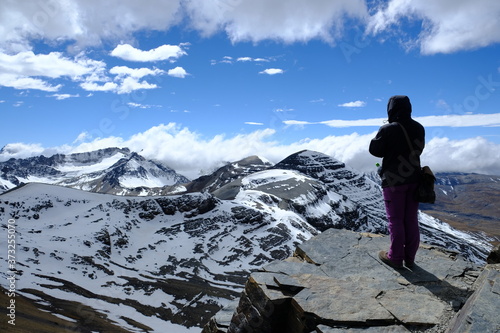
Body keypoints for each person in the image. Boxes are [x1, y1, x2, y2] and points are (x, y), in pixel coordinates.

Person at [369, 95, 425, 269]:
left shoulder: (387, 129)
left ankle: (395, 257)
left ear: (391, 109)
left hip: (393, 181)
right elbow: (419, 149)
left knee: (395, 220)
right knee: (410, 219)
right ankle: (410, 258)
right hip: (415, 178)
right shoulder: (419, 128)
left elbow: (375, 151)